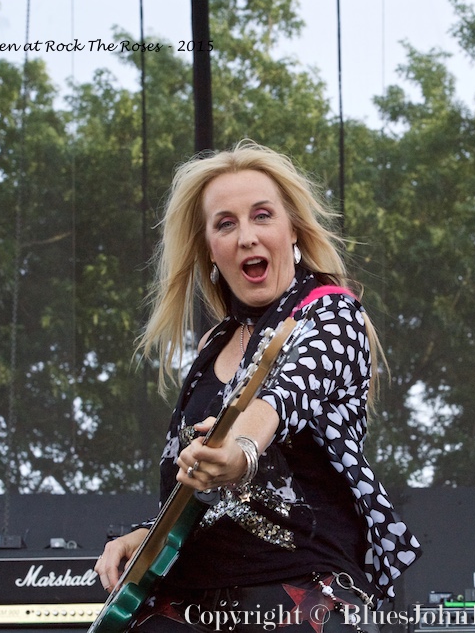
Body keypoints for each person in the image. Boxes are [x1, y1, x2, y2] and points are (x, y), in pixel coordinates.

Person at [94, 141, 421, 632]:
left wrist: (242, 450)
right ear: (209, 247)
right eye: (226, 223)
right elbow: (200, 500)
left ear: (292, 229)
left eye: (262, 216)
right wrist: (147, 536)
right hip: (191, 599)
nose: (246, 236)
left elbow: (282, 397)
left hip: (297, 592)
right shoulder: (213, 343)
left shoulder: (331, 313)